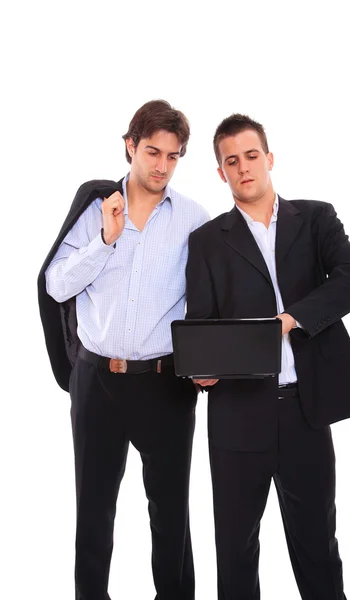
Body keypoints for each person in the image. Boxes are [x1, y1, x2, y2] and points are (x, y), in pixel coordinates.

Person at [185, 113, 350, 600]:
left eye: (251, 156)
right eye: (231, 161)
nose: (243, 167)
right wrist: (202, 371)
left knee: (316, 545)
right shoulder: (206, 241)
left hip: (305, 412)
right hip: (236, 415)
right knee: (236, 550)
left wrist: (289, 319)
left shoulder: (315, 218)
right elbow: (202, 322)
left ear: (269, 159)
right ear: (220, 173)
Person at [38, 99, 209, 600]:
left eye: (173, 156)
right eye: (152, 152)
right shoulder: (94, 210)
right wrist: (105, 240)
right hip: (97, 383)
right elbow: (55, 285)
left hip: (165, 383)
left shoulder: (194, 220)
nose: (161, 166)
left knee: (172, 514)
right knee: (93, 511)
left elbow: (208, 299)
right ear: (130, 146)